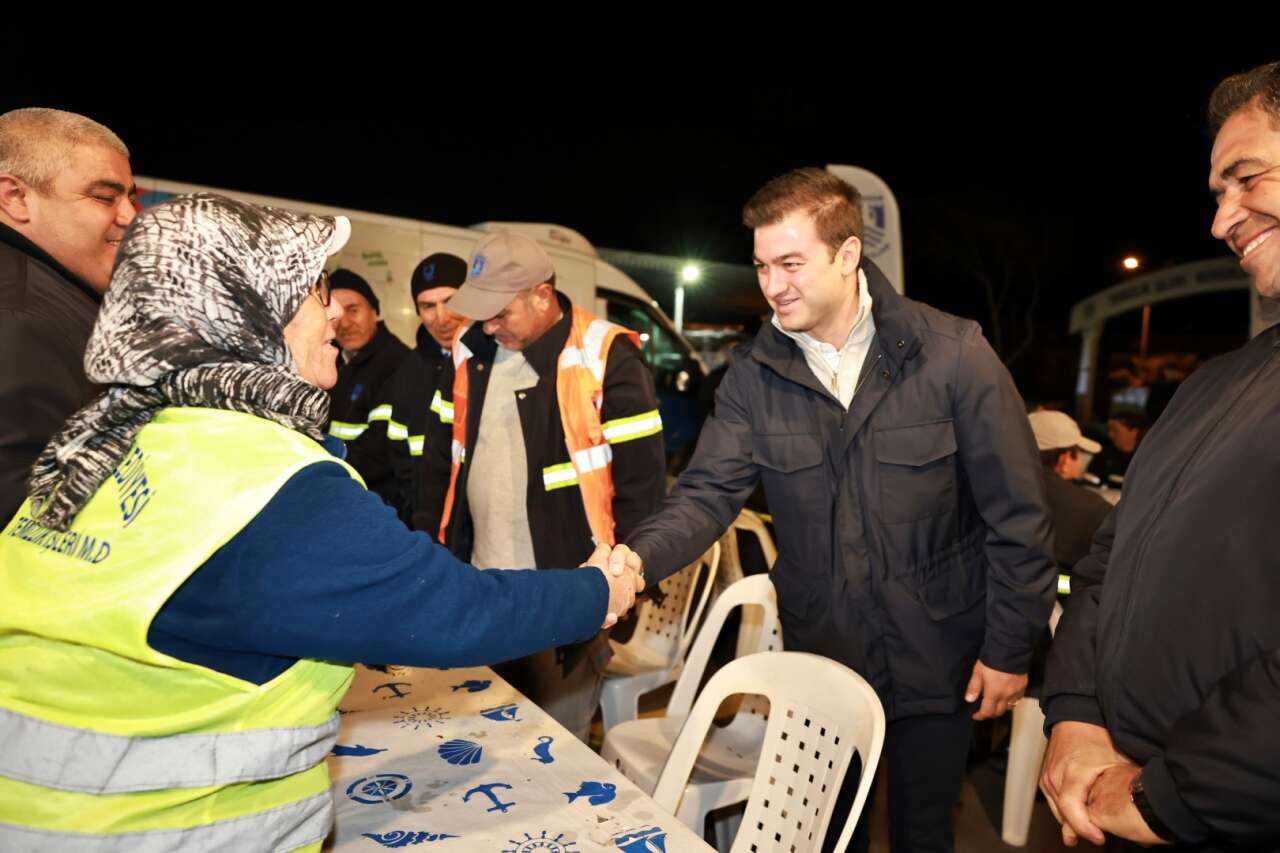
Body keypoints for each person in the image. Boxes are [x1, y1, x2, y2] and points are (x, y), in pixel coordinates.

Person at [0, 194, 642, 851]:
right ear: (251, 317)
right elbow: (457, 612)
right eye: (311, 292)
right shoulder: (258, 474)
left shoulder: (108, 441)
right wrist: (600, 591)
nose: (333, 313)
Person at [617, 168, 1054, 852]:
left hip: (937, 652)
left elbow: (1019, 514)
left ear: (847, 254)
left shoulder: (951, 354)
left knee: (923, 831)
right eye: (762, 265)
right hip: (826, 650)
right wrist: (633, 560)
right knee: (818, 831)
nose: (772, 285)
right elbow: (704, 493)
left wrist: (1009, 647)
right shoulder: (754, 376)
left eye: (791, 263)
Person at [1040, 60, 1280, 852]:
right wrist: (1073, 711)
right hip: (1121, 796)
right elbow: (1109, 556)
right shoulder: (1214, 383)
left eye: (1246, 179)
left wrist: (1168, 794)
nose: (1223, 219)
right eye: (1217, 193)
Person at [419, 229, 666, 741]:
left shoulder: (605, 353)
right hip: (482, 589)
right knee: (482, 743)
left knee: (554, 750)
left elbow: (643, 486)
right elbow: (439, 462)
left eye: (501, 312)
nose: (488, 324)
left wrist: (630, 579)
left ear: (543, 295)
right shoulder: (471, 351)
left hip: (568, 596)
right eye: (482, 311)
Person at [0, 107, 136, 521]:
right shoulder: (19, 316)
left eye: (130, 198)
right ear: (14, 198)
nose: (130, 217)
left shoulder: (40, 296)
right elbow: (21, 511)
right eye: (104, 196)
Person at [347, 253, 465, 522]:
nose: (441, 318)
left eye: (450, 301)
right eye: (427, 306)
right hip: (425, 523)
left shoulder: (491, 360)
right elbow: (396, 457)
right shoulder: (408, 371)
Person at [324, 268, 409, 451]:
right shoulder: (331, 359)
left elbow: (382, 450)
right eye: (336, 315)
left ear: (375, 312)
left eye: (353, 310)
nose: (345, 324)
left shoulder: (398, 363)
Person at [1027, 409, 1112, 576]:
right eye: (1079, 452)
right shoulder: (1094, 508)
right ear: (1064, 460)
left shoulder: (995, 488)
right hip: (1058, 593)